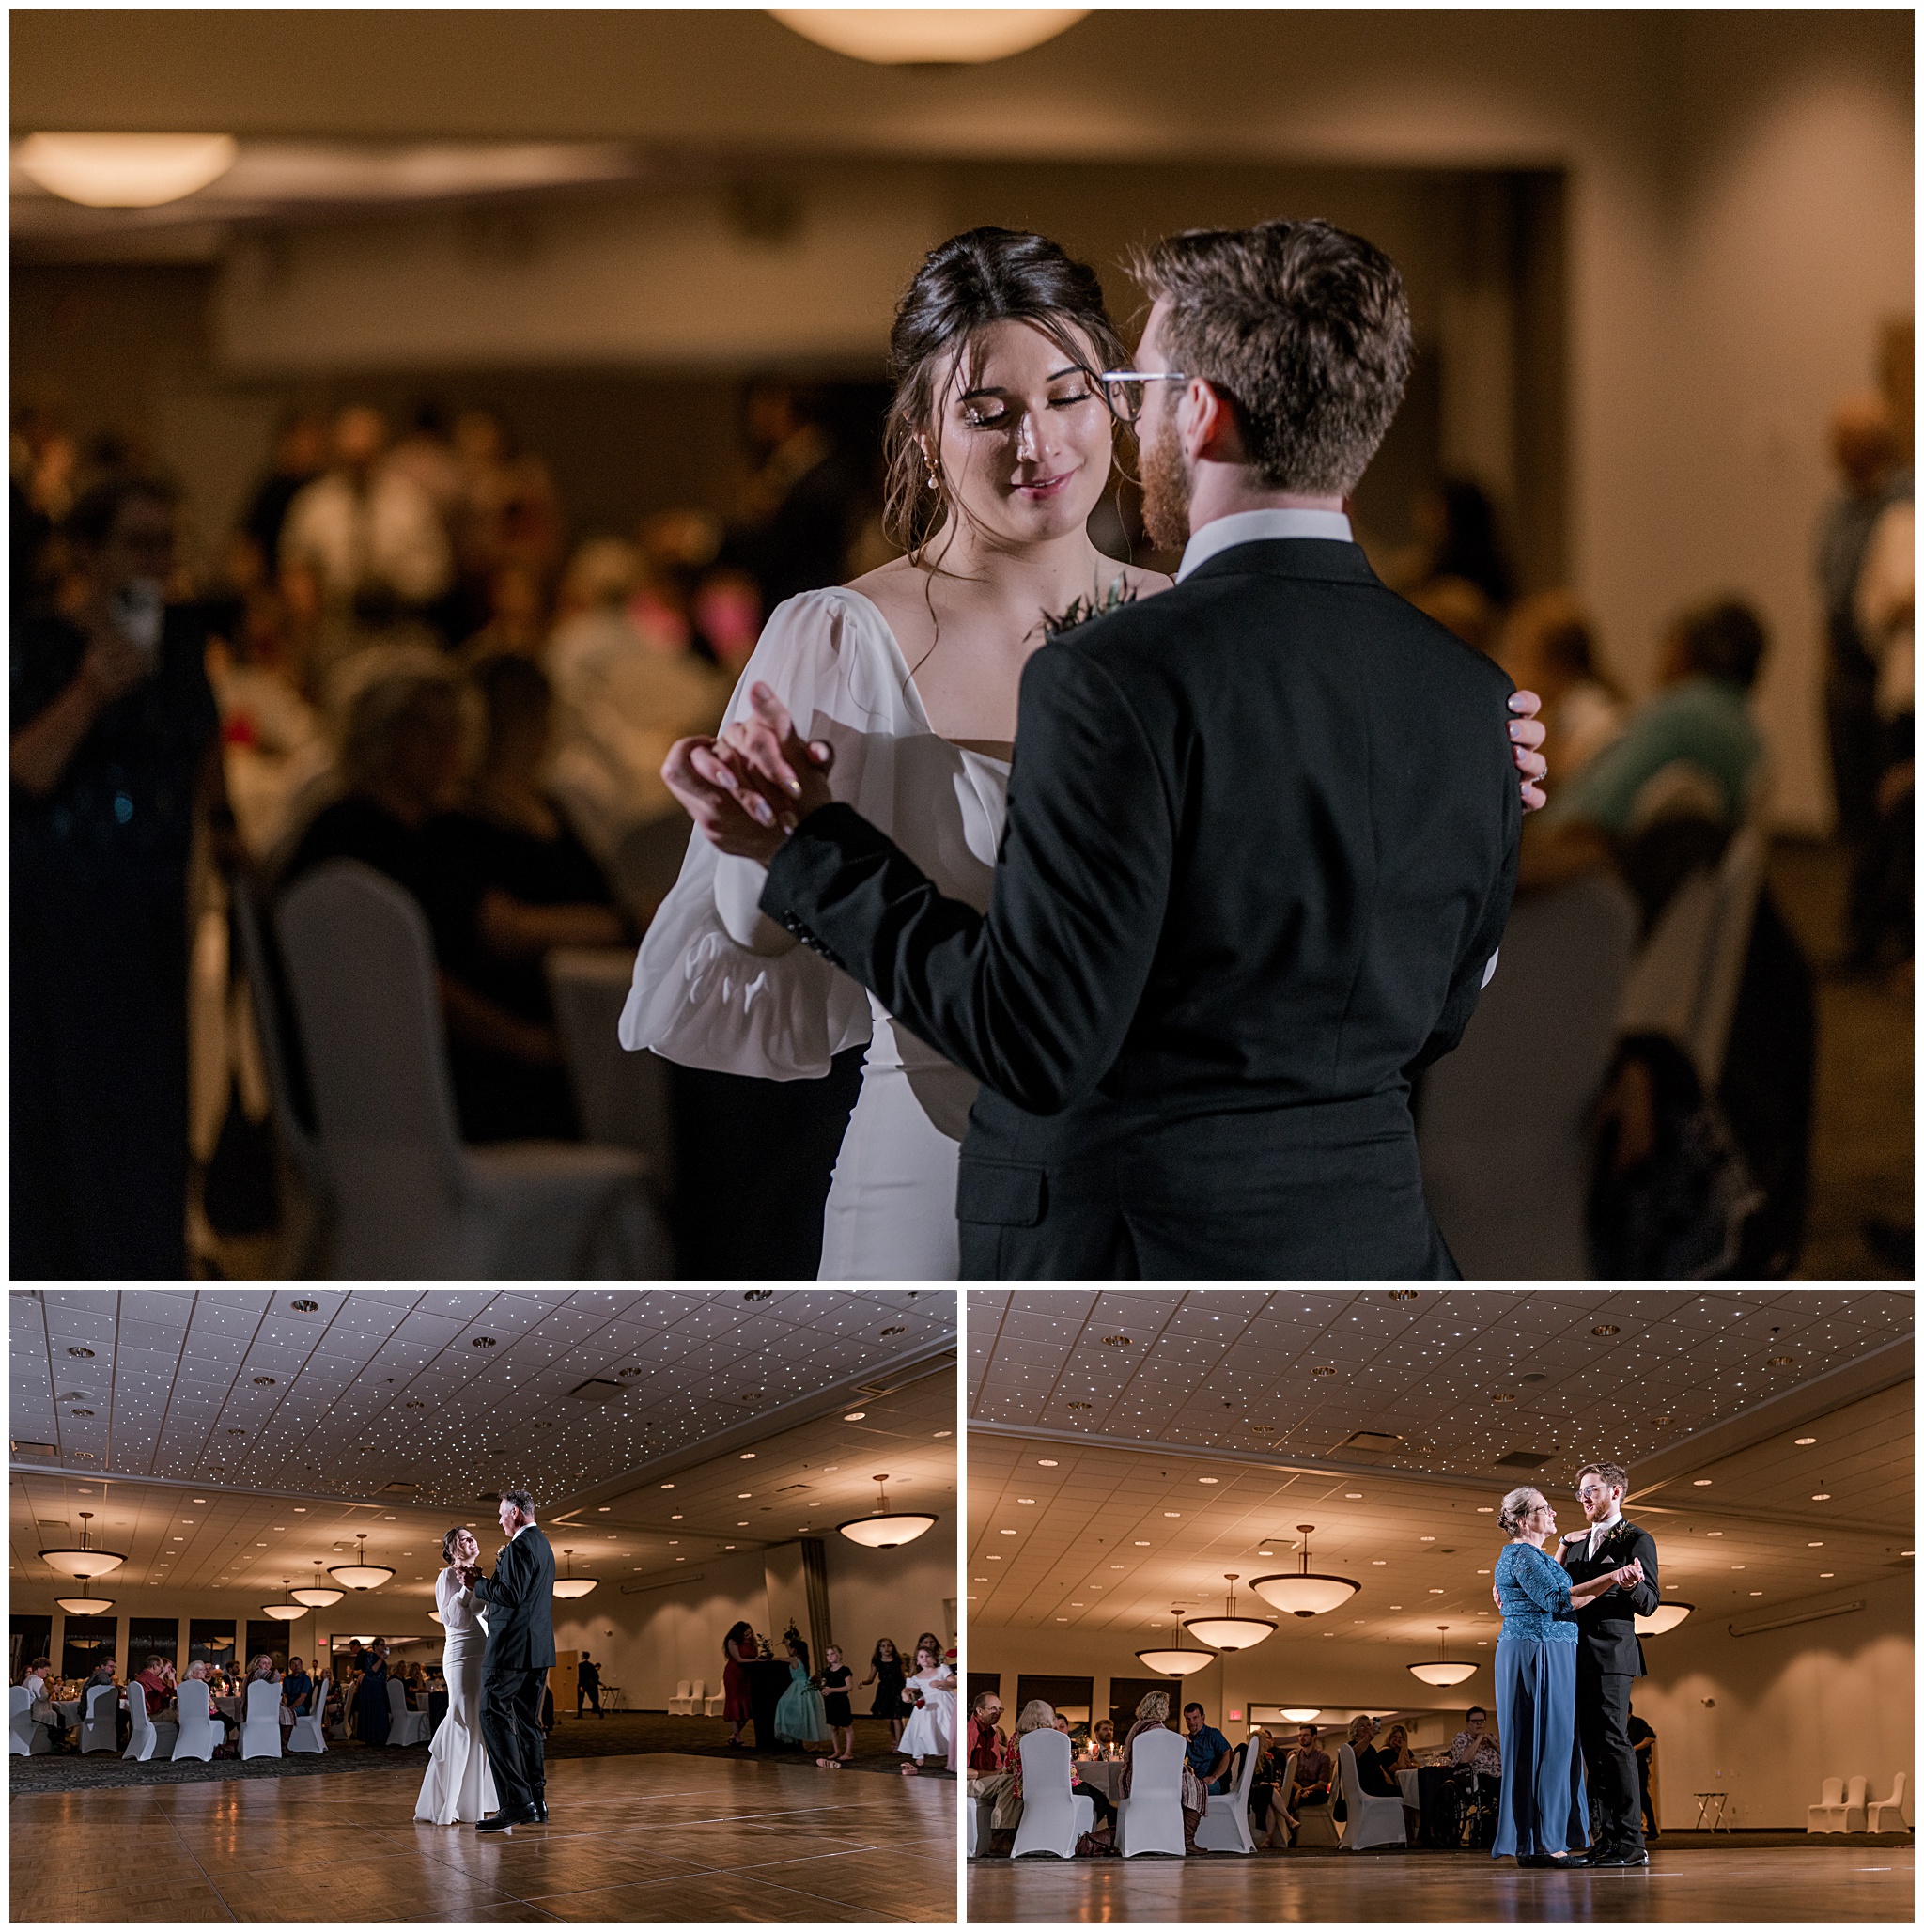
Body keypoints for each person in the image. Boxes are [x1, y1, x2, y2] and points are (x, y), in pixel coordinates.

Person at [657, 219, 1547, 1280]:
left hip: (1144, 1213)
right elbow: (751, 943)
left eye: (1070, 396)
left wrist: (1447, 785)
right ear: (920, 431)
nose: (1037, 445)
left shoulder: (1188, 628)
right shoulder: (837, 633)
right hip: (936, 1180)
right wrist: (761, 843)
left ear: (1127, 401)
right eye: (988, 413)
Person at [12, 475, 229, 1277]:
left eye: (166, 543)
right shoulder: (35, 645)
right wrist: (91, 691)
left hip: (150, 907)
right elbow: (25, 773)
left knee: (146, 1112)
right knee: (60, 1114)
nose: (158, 562)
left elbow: (203, 749)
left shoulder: (181, 642)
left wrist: (226, 828)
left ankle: (145, 1287)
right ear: (89, 555)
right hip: (55, 910)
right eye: (139, 543)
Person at [425, 651, 628, 1141]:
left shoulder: (551, 807)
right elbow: (500, 929)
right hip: (524, 1042)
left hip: (591, 1010)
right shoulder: (454, 822)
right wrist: (628, 923)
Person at [1491, 1483, 1643, 1868]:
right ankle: (1546, 1844)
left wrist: (1561, 1546)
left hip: (1547, 1650)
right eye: (1545, 1508)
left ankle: (1539, 1840)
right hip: (1540, 1651)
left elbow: (1550, 1582)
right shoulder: (1523, 1557)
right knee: (1547, 1745)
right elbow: (1560, 1600)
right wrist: (1614, 1577)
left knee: (1548, 1744)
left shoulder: (1531, 1556)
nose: (1555, 1513)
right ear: (1525, 1519)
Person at [1815, 391, 1910, 959]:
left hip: (1896, 677)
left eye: (1843, 442)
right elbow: (1832, 594)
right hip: (1844, 671)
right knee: (1854, 807)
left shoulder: (1907, 506)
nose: (1834, 453)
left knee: (1894, 807)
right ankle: (1862, 934)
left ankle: (1892, 936)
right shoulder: (1838, 509)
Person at [279, 404, 453, 675]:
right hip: (336, 630)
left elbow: (438, 570)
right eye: (351, 458)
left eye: (365, 457)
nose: (358, 466)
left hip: (400, 627)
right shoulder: (314, 506)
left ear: (380, 450)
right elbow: (294, 571)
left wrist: (395, 581)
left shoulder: (410, 503)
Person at [1558, 1461, 1661, 1867]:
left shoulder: (1637, 1538)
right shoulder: (1579, 1543)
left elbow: (1651, 1603)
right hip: (1576, 1655)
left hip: (1613, 1654)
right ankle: (1606, 1839)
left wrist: (1634, 1587)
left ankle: (1631, 1843)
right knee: (1593, 1749)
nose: (1584, 1497)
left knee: (1614, 1744)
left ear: (1616, 1492)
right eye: (1581, 1491)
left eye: (1592, 1489)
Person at [469, 1488, 557, 1832]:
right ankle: (537, 1802)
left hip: (510, 1648)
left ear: (517, 1513)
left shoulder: (521, 1545)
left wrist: (479, 1584)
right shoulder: (544, 1545)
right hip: (537, 1649)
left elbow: (510, 1595)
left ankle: (516, 1803)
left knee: (491, 1714)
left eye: (503, 1513)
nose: (500, 1519)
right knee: (528, 1723)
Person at [416, 1527, 500, 1825]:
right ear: (451, 1549)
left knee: (478, 1721)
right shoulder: (447, 1576)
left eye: (472, 1536)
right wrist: (467, 1588)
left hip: (483, 1652)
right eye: (462, 1538)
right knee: (462, 1718)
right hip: (461, 1655)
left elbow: (485, 1617)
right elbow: (453, 1620)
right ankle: (448, 1800)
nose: (471, 1540)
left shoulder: (481, 1575)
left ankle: (473, 1801)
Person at [1497, 591, 1623, 782]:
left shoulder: (1591, 722)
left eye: (1519, 657)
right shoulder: (1564, 712)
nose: (1511, 670)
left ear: (1556, 665)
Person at [1123, 1689, 1203, 1852]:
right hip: (1152, 1784)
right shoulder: (1158, 1729)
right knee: (1196, 1787)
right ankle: (1186, 1840)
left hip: (1132, 1781)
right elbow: (1165, 1761)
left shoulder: (1138, 1726)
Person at [896, 1640, 954, 1773]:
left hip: (945, 1700)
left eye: (928, 1656)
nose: (925, 1659)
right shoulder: (916, 1677)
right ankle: (919, 1752)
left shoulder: (942, 1670)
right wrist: (905, 1694)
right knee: (923, 1728)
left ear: (934, 1659)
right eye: (921, 1656)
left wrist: (942, 1683)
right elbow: (908, 1689)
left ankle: (952, 1753)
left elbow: (954, 1683)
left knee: (947, 1727)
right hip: (929, 1703)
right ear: (917, 1661)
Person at [774, 1631, 829, 1750]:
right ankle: (816, 1744)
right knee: (810, 1715)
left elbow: (780, 1658)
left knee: (783, 1704)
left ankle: (793, 1733)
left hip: (799, 1688)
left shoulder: (793, 1660)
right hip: (808, 1687)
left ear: (795, 1650)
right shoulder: (803, 1659)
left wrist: (772, 1657)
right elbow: (790, 1653)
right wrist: (786, 1644)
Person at [1182, 1701, 1234, 1795]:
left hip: (1216, 1782)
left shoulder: (1213, 1734)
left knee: (1189, 1793)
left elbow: (1228, 1754)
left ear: (1203, 1718)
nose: (1191, 1722)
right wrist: (1178, 1743)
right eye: (1188, 1719)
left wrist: (1214, 1777)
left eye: (1195, 1718)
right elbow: (1176, 1761)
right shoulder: (1187, 1740)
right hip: (1198, 1782)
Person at [863, 1637, 908, 1745]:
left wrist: (908, 1688)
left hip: (897, 1689)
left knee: (897, 1717)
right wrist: (863, 1682)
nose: (886, 1648)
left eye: (889, 1646)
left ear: (892, 1648)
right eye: (883, 1646)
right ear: (879, 1649)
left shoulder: (898, 1661)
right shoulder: (877, 1662)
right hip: (884, 1691)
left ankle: (899, 1742)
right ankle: (894, 1738)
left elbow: (903, 1676)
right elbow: (871, 1678)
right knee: (888, 1719)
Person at [816, 1644, 855, 1766]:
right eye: (828, 1654)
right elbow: (824, 1683)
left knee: (846, 1727)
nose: (830, 1656)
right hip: (830, 1702)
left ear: (840, 1655)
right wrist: (822, 1688)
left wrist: (832, 1690)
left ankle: (848, 1752)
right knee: (833, 1727)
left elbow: (849, 1687)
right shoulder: (826, 1671)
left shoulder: (845, 1670)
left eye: (832, 1654)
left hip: (841, 1701)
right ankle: (836, 1751)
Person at [722, 1621, 757, 1748]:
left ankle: (735, 1734)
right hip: (734, 1674)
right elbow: (739, 1659)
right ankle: (737, 1736)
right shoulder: (732, 1641)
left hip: (746, 1675)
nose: (749, 1636)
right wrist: (755, 1661)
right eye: (746, 1635)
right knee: (735, 1703)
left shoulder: (751, 1642)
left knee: (747, 1706)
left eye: (750, 1634)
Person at [354, 1639, 392, 1748]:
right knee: (373, 1710)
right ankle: (371, 1737)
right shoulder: (370, 1656)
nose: (384, 1647)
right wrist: (381, 1660)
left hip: (379, 1685)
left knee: (380, 1709)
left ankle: (379, 1736)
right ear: (375, 1646)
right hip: (371, 1685)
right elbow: (370, 1671)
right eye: (382, 1645)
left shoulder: (380, 1658)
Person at [1628, 1708, 1658, 1840]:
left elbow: (1651, 1738)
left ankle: (1652, 1829)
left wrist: (1636, 1747)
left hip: (1639, 1764)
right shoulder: (1621, 1725)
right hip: (1628, 1765)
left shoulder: (1638, 1723)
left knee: (1642, 1796)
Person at [575, 1650, 602, 1719]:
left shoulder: (580, 1665)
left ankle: (580, 1714)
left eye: (582, 1655)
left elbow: (581, 1676)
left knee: (580, 1700)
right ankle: (600, 1711)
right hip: (590, 1684)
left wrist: (581, 1685)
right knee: (593, 1699)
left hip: (583, 1684)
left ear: (583, 1656)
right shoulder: (591, 1665)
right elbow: (593, 1676)